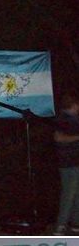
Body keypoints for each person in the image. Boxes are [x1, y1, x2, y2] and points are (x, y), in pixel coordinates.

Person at [53, 92, 79, 235]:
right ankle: (61, 225)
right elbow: (58, 137)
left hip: (74, 161)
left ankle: (76, 223)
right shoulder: (64, 119)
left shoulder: (74, 119)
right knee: (68, 194)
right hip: (69, 162)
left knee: (76, 194)